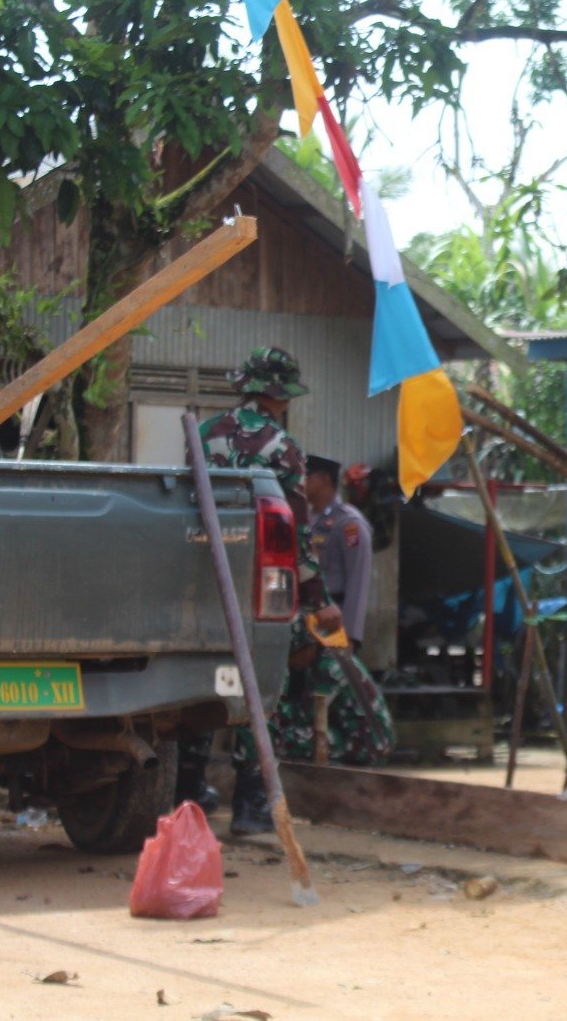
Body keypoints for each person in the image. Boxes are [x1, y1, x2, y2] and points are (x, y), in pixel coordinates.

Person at [183, 346, 342, 835]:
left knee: (200, 679)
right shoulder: (283, 448)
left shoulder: (203, 434)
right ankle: (252, 805)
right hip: (262, 585)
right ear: (282, 397)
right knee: (260, 687)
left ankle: (186, 796)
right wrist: (318, 600)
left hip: (203, 578)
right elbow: (295, 533)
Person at [271, 615, 397, 767]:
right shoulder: (332, 656)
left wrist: (274, 710)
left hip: (368, 744)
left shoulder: (329, 668)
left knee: (283, 739)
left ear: (308, 648)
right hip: (363, 738)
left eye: (291, 655)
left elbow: (307, 714)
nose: (290, 662)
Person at [304, 454, 375, 652]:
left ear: (325, 479)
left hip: (335, 620)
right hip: (310, 618)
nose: (302, 482)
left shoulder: (349, 523)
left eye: (307, 476)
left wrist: (351, 634)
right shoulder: (310, 519)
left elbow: (358, 580)